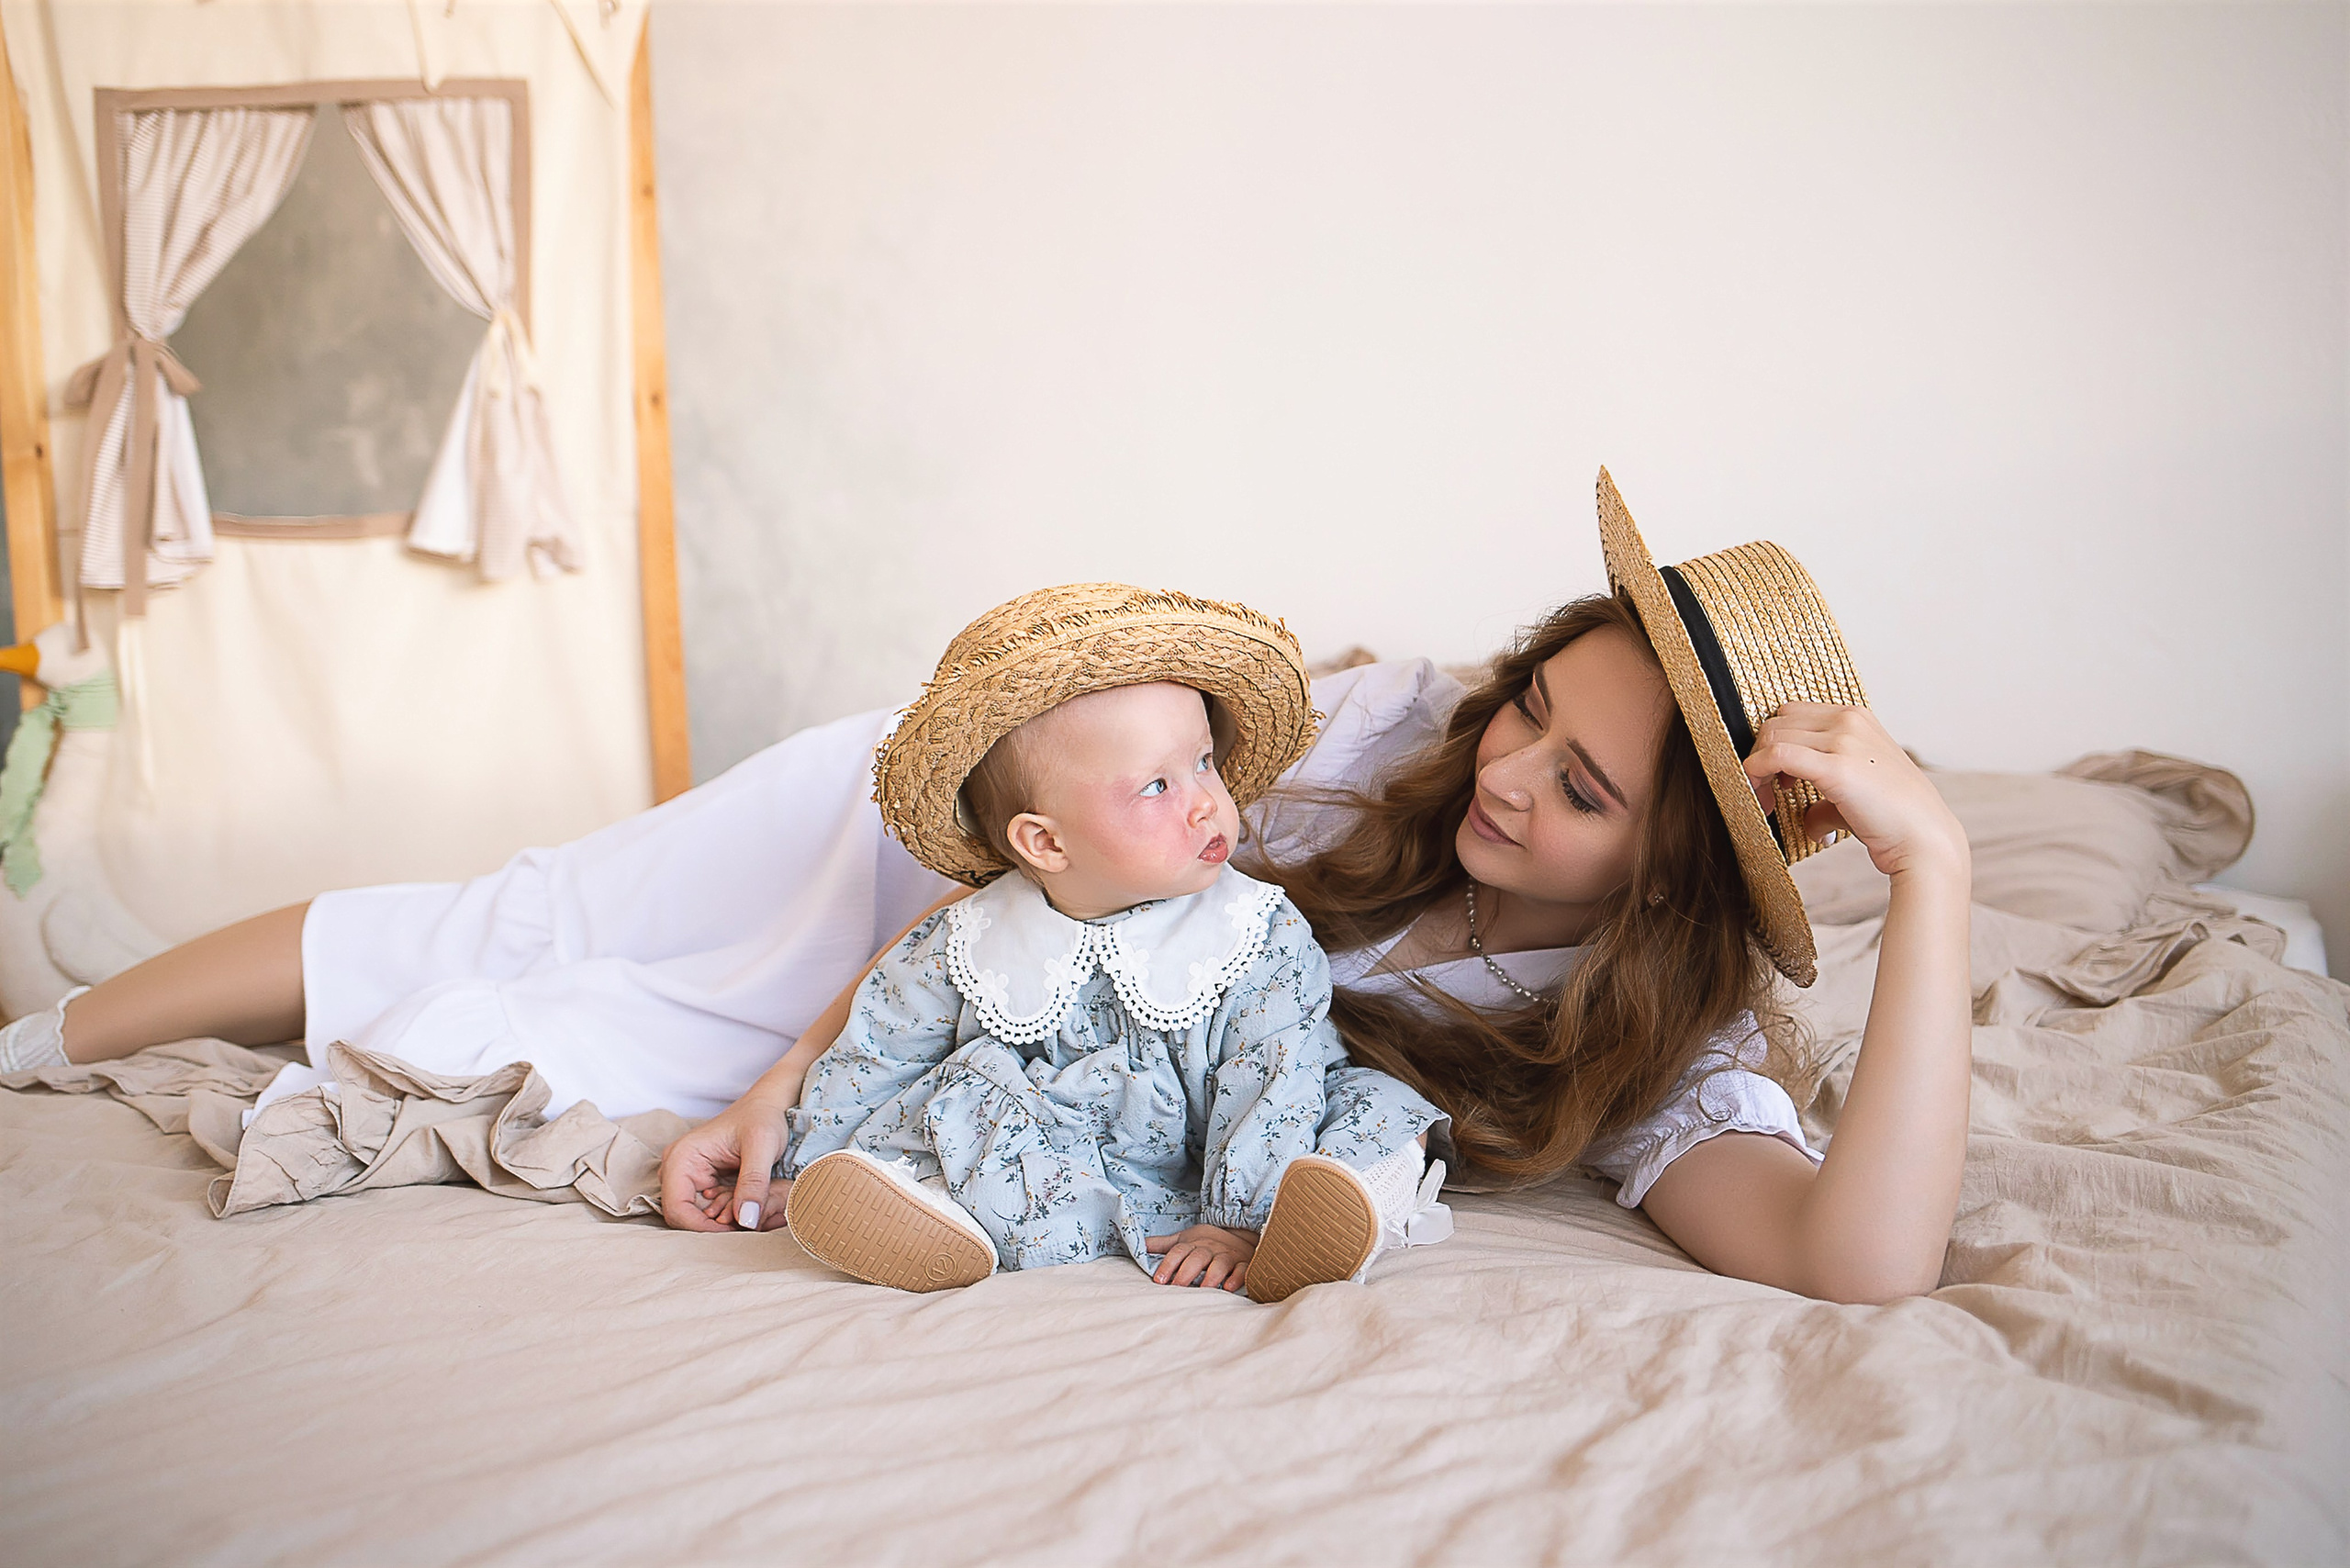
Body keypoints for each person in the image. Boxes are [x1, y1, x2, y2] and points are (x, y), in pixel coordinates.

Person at [2, 471, 1972, 1305]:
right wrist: (802, 1064)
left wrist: (1939, 874)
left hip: (989, 1034)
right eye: (1527, 704)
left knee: (549, 1037)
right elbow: (1051, 825)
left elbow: (1854, 1262)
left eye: (1580, 782)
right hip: (920, 874)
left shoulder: (1642, 1047)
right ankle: (38, 1030)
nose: (1504, 769)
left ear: (1666, 874)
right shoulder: (1385, 733)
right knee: (509, 928)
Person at [775, 583, 1449, 1301]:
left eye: (1204, 762)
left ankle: (1353, 1199)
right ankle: (939, 1216)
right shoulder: (967, 942)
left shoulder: (1255, 929)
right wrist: (813, 1159)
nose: (1204, 802)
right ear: (1045, 842)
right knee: (965, 1096)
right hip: (1071, 1164)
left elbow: (1271, 1071)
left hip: (1253, 1150)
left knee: (1372, 1104)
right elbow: (879, 1050)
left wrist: (1237, 1222)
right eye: (1157, 786)